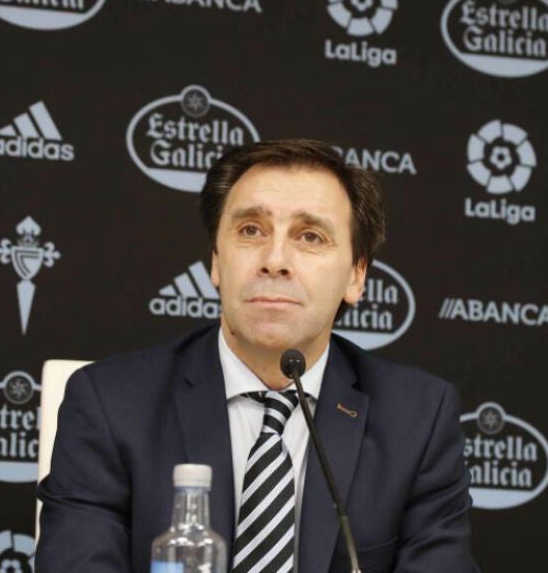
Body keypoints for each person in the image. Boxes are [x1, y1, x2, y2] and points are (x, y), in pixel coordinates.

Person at [36, 139, 477, 572]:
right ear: (215, 260)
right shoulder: (111, 404)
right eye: (251, 230)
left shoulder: (417, 420)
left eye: (310, 236)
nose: (275, 260)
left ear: (356, 276)